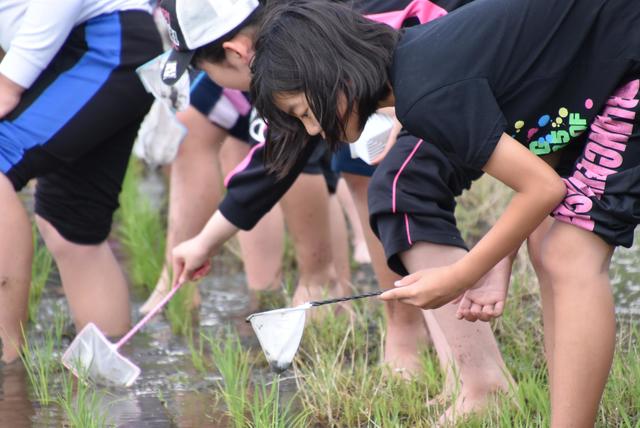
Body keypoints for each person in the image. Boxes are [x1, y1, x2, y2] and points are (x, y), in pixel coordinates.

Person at [247, 0, 640, 426]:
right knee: (545, 244)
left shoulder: (426, 91)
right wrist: (500, 260)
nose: (312, 130)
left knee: (568, 255)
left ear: (333, 74)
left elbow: (544, 189)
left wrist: (461, 274)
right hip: (613, 64)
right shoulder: (422, 64)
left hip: (629, 61)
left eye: (306, 112)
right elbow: (545, 139)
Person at [164, 0, 515, 421]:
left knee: (401, 189)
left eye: (204, 70)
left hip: (480, 71)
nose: (307, 126)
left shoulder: (326, 37)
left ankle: (477, 381)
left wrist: (410, 111)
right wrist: (205, 241)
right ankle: (454, 368)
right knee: (365, 171)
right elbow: (280, 152)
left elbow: (438, 36)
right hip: (439, 82)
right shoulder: (294, 57)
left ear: (238, 52)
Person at [0, 0, 162, 363]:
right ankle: (109, 385)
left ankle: (8, 364)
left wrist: (9, 82)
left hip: (100, 44)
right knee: (70, 226)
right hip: (86, 48)